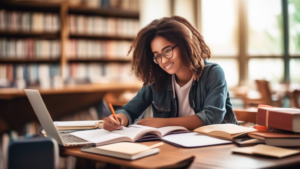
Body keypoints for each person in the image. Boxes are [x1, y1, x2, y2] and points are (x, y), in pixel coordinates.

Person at [103, 16, 237, 131]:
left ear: (184, 44)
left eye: (167, 51)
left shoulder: (213, 73)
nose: (163, 60)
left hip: (220, 145)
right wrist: (119, 119)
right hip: (177, 146)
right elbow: (130, 110)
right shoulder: (158, 79)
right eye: (157, 56)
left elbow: (212, 117)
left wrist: (164, 123)